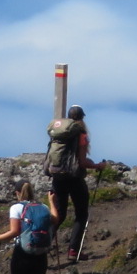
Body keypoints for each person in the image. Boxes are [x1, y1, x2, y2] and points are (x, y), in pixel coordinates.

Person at [45, 105, 105, 263]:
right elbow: (82, 162)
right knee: (81, 214)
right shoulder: (81, 134)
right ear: (82, 118)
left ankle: (42, 245)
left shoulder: (59, 134)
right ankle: (73, 251)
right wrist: (98, 166)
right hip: (74, 178)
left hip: (57, 177)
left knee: (59, 214)